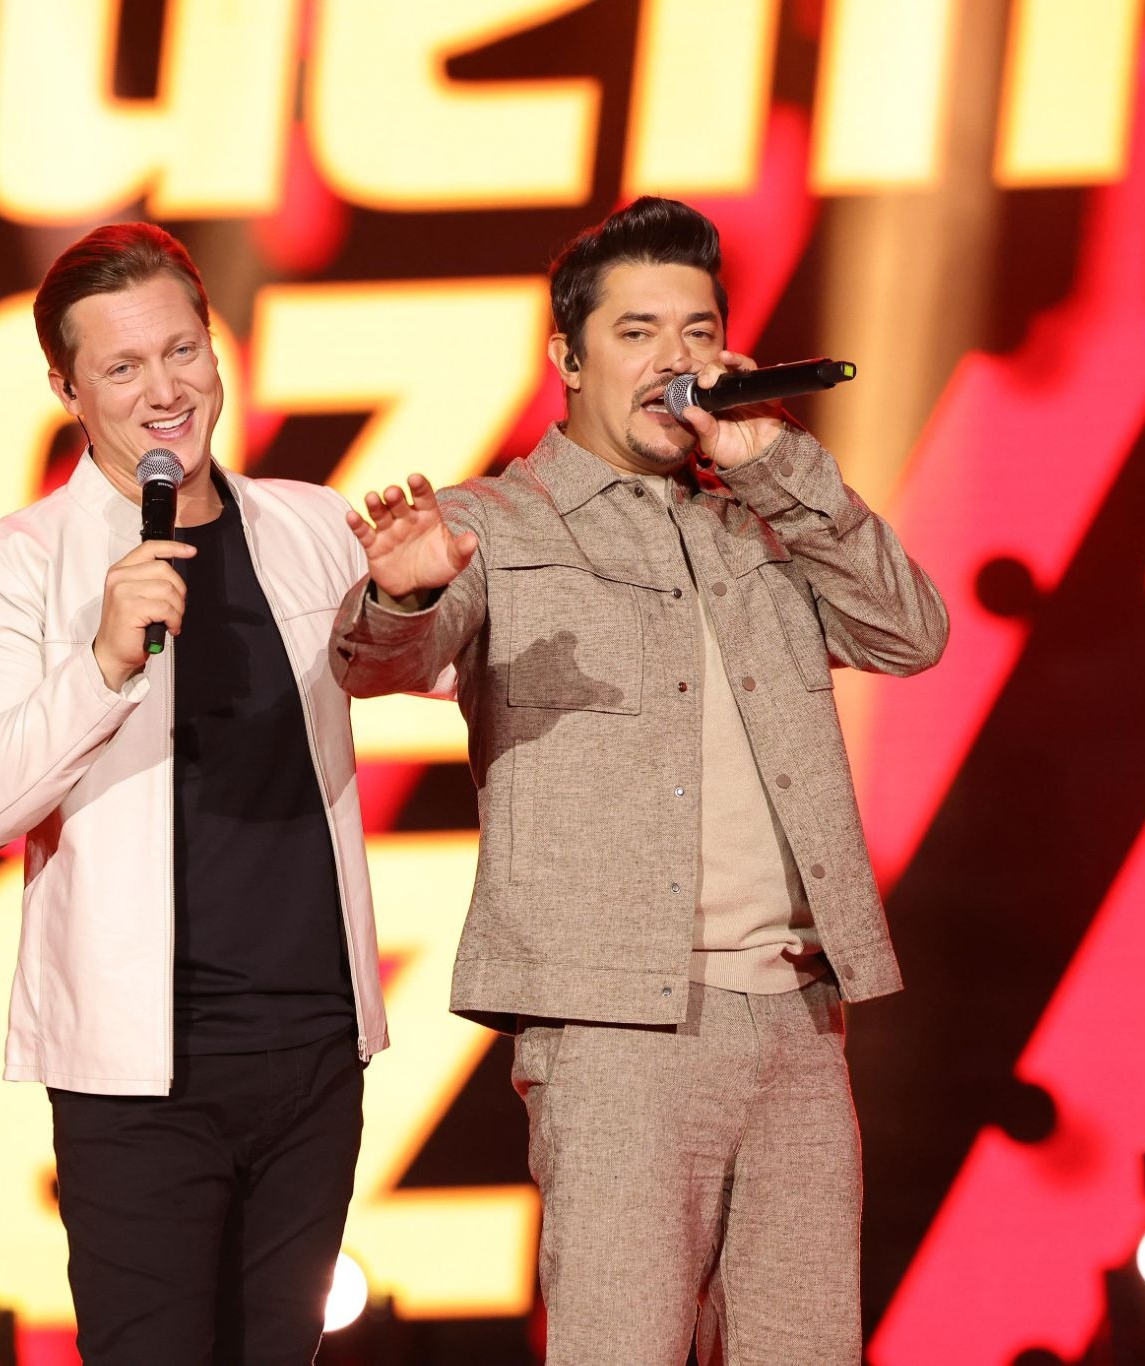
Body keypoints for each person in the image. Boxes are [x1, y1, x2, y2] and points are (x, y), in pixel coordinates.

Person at [329, 196, 948, 1363]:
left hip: (797, 1018)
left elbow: (909, 633)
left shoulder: (758, 522)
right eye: (636, 331)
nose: (675, 358)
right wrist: (406, 592)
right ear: (565, 358)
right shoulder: (490, 524)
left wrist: (777, 464)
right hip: (616, 1029)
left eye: (698, 331)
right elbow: (377, 662)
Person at [0, 223, 386, 1365]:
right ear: (67, 389)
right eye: (122, 366)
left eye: (182, 350)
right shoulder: (9, 567)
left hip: (312, 1046)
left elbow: (421, 668)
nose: (164, 390)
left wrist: (414, 597)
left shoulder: (314, 527)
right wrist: (101, 663)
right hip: (138, 1075)